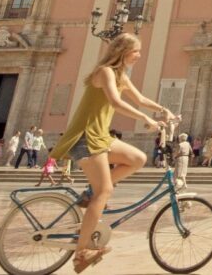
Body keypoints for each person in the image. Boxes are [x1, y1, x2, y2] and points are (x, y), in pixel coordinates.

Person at [47, 33, 171, 273]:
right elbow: (115, 102)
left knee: (138, 158)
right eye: (136, 51)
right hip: (85, 136)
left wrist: (163, 110)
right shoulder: (104, 72)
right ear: (123, 51)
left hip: (101, 136)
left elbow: (140, 98)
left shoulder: (120, 75)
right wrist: (145, 118)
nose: (139, 55)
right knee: (105, 191)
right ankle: (82, 252)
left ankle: (91, 193)